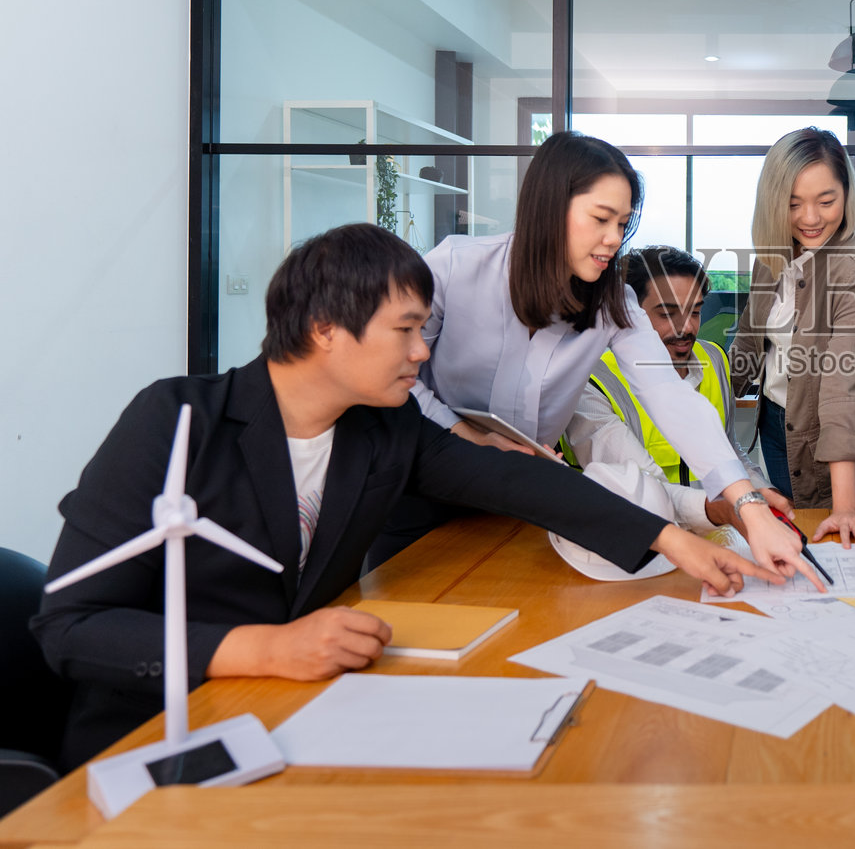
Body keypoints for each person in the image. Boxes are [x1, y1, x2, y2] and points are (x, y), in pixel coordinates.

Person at [31, 224, 775, 769]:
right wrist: (266, 647)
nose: (424, 353)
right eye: (407, 330)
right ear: (326, 329)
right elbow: (70, 625)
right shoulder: (178, 420)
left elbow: (516, 477)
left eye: (425, 327)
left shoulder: (381, 433)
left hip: (294, 717)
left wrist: (669, 537)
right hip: (155, 736)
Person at [391, 132, 821, 589]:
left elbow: (669, 394)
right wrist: (467, 436)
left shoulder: (613, 300)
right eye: (601, 219)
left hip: (520, 497)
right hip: (422, 484)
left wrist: (747, 507)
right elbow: (399, 374)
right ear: (550, 207)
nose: (613, 239)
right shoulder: (455, 267)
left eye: (623, 223)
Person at [729, 127, 855, 546]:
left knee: (825, 543)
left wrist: (846, 506)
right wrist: (707, 407)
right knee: (784, 538)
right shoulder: (773, 255)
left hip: (825, 441)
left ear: (847, 193)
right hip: (774, 425)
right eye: (793, 204)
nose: (811, 218)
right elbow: (748, 340)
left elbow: (842, 383)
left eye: (826, 201)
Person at [562, 245, 786, 533]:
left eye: (695, 312)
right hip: (632, 536)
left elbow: (731, 452)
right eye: (667, 314)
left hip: (717, 531)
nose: (686, 328)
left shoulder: (713, 358)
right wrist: (727, 509)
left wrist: (766, 496)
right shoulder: (593, 382)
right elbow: (643, 491)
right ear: (629, 314)